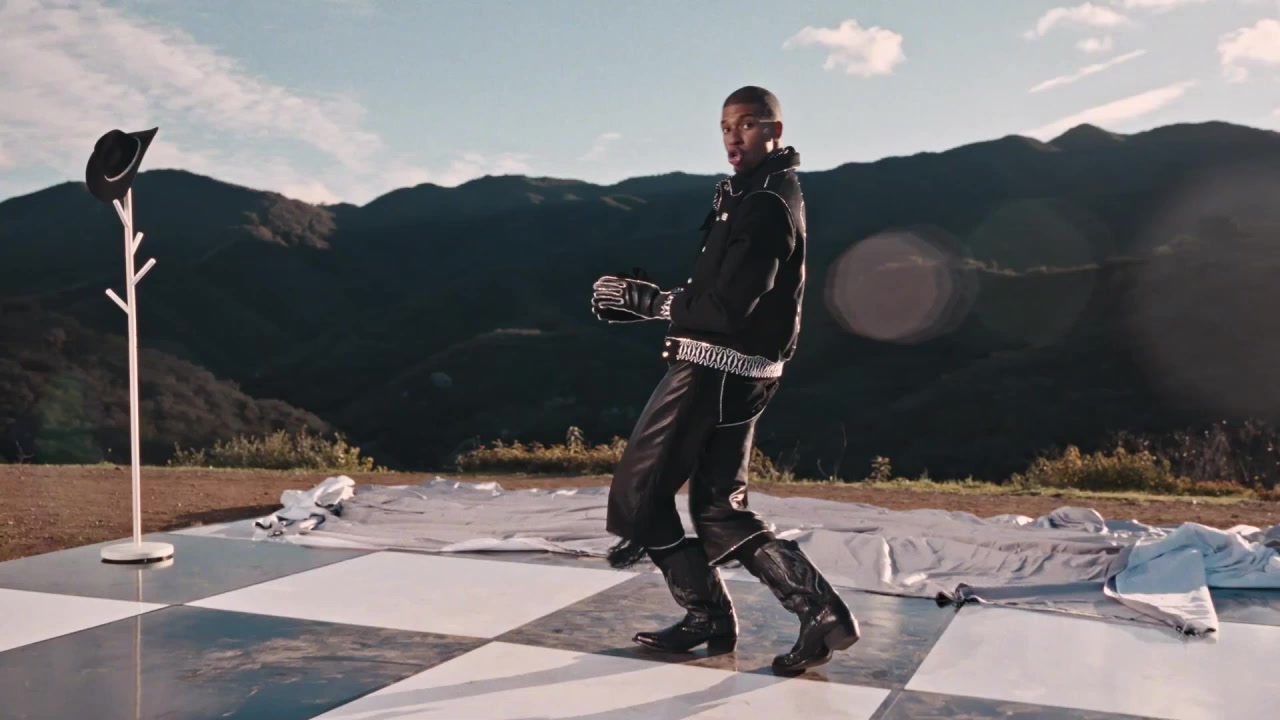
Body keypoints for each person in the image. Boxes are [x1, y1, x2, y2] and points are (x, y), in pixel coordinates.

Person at [589, 85, 859, 675]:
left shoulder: (764, 203)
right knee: (718, 509)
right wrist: (657, 306)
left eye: (747, 125)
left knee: (638, 498)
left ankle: (711, 614)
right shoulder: (756, 192)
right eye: (725, 127)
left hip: (713, 369)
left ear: (775, 131)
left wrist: (651, 302)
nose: (734, 137)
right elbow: (724, 293)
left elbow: (729, 308)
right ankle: (816, 611)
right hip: (742, 371)